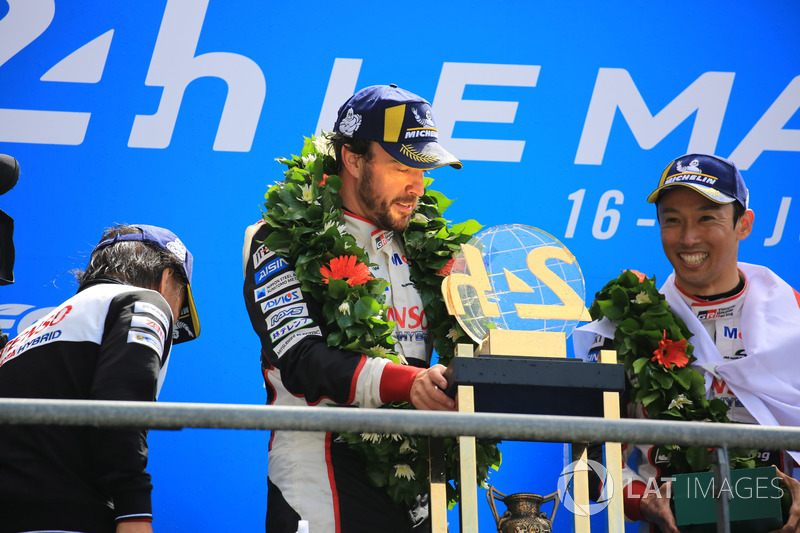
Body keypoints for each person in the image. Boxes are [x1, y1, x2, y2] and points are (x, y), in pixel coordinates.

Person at [243, 84, 461, 533]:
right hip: (319, 479)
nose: (415, 186)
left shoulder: (429, 250)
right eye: (401, 166)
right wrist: (410, 383)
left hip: (413, 484)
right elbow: (302, 361)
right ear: (353, 158)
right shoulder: (277, 238)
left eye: (425, 170)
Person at [574, 153, 800, 532]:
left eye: (706, 218)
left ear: (743, 224)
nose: (688, 237)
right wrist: (641, 500)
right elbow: (587, 464)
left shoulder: (791, 313)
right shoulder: (624, 327)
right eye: (672, 220)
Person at [0, 224, 200, 533]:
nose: (174, 315)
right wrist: (134, 513)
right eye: (181, 304)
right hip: (69, 517)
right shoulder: (142, 301)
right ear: (166, 277)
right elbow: (121, 408)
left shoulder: (26, 334)